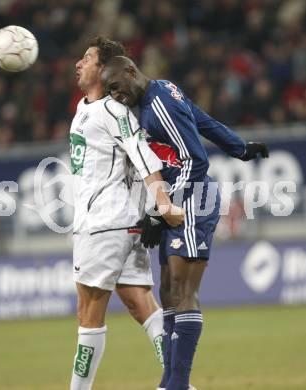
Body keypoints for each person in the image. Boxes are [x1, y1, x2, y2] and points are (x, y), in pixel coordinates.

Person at [101, 55, 269, 390]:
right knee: (168, 291)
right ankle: (169, 382)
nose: (116, 96)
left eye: (117, 87)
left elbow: (196, 161)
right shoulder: (161, 93)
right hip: (173, 202)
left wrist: (157, 211)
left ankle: (177, 384)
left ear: (131, 72)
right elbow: (201, 119)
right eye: (110, 91)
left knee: (183, 290)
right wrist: (239, 147)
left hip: (191, 200)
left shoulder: (159, 103)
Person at [69, 37, 184, 390]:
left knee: (88, 314)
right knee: (140, 304)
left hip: (103, 225)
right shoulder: (83, 109)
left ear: (103, 70)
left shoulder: (112, 112)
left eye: (86, 59)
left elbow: (142, 154)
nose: (78, 63)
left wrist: (162, 203)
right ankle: (177, 382)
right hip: (123, 226)